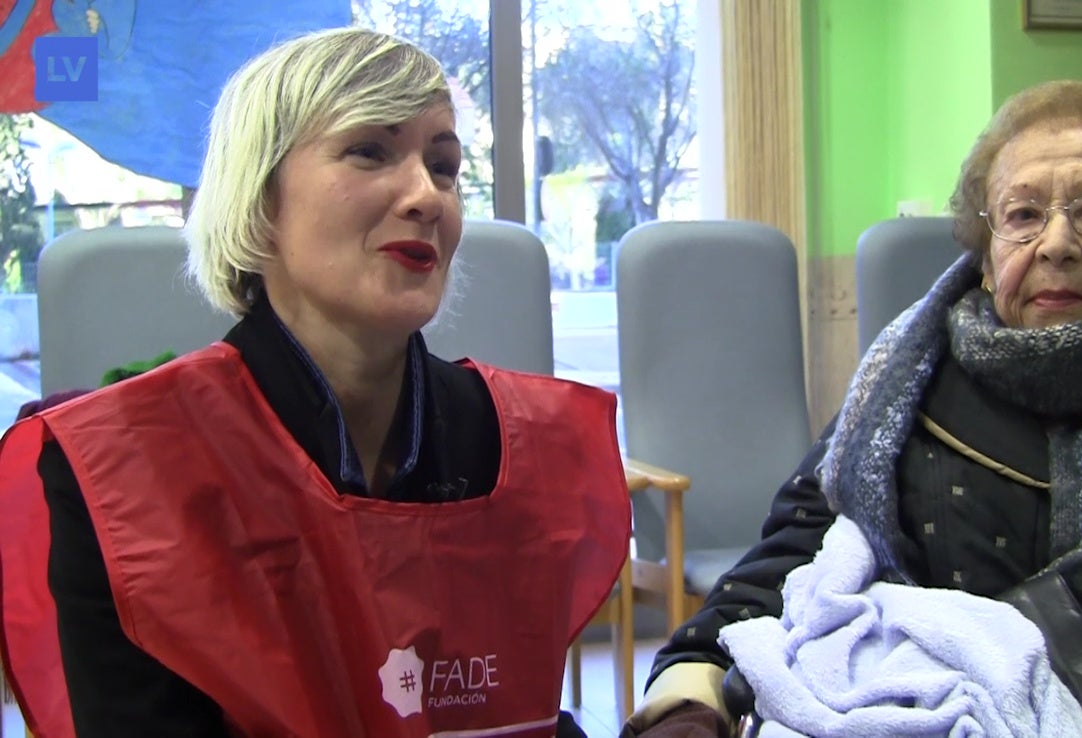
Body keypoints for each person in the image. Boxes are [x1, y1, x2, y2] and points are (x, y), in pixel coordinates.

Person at [0, 27, 631, 738]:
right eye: (370, 150)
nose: (428, 195)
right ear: (260, 197)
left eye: (445, 166)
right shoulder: (123, 475)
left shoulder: (526, 451)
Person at [624, 80, 1082, 738]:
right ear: (988, 258)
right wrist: (691, 684)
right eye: (1023, 216)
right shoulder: (904, 382)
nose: (1056, 244)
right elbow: (792, 555)